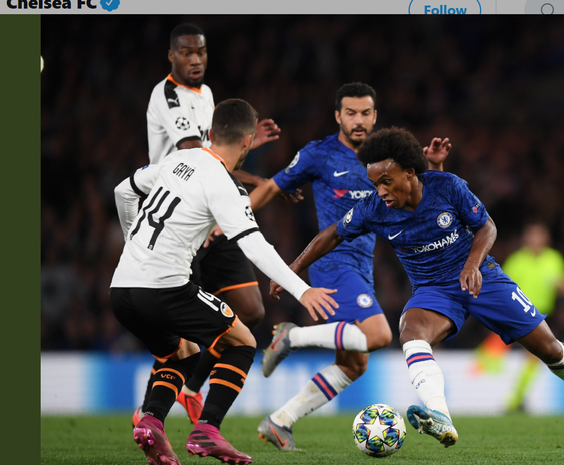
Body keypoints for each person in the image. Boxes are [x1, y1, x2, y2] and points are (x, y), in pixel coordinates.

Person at [269, 127, 564, 449]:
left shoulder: (447, 187)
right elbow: (331, 233)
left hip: (483, 279)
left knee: (551, 351)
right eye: (375, 183)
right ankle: (441, 416)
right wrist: (292, 269)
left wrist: (471, 264)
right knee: (411, 331)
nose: (381, 191)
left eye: (387, 181)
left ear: (410, 173)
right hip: (434, 290)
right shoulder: (374, 208)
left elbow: (487, 228)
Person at [111, 99, 338, 465]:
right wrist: (302, 288)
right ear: (248, 143)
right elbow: (254, 246)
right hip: (164, 288)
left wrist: (132, 244)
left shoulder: (175, 160)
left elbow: (124, 191)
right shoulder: (225, 184)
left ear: (212, 134)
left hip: (121, 289)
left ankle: (151, 420)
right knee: (242, 340)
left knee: (182, 352)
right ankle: (207, 431)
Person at [247, 83, 450, 451]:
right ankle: (291, 337)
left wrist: (434, 164)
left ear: (375, 115)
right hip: (332, 263)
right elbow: (273, 187)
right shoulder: (319, 154)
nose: (359, 120)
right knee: (380, 336)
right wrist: (229, 221)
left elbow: (428, 192)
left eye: (366, 113)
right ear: (338, 116)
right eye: (351, 113)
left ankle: (280, 421)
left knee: (355, 365)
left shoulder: (385, 160)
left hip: (362, 266)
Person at [134, 23, 295, 427]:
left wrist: (246, 142)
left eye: (201, 52)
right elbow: (197, 156)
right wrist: (262, 180)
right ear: (171, 56)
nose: (195, 59)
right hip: (180, 221)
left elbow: (217, 149)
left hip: (213, 215)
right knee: (180, 340)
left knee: (250, 309)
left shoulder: (206, 96)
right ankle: (149, 413)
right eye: (186, 52)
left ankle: (190, 391)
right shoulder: (166, 95)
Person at [501, 222, 564, 412]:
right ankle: (515, 400)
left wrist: (563, 284)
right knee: (533, 357)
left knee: (533, 357)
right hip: (520, 314)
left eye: (539, 236)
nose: (535, 240)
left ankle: (517, 399)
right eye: (531, 236)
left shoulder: (553, 259)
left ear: (546, 239)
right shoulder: (516, 261)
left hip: (545, 315)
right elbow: (501, 287)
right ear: (525, 239)